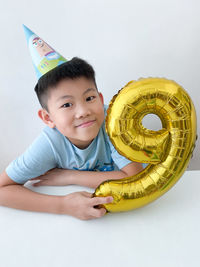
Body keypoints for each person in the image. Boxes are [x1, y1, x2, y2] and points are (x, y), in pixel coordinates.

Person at [0, 27, 143, 220]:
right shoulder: (51, 143)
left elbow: (135, 179)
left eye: (90, 98)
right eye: (67, 104)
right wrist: (62, 205)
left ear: (101, 100)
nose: (83, 111)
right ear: (48, 118)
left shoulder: (114, 122)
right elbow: (3, 188)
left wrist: (69, 176)